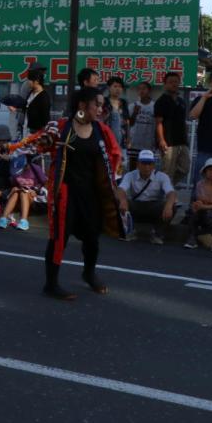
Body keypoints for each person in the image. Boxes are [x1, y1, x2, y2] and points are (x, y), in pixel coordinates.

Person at [33, 86, 128, 301]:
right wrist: (45, 141)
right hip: (65, 193)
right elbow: (39, 144)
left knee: (92, 237)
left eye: (102, 105)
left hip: (91, 194)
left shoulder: (101, 130)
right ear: (82, 105)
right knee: (59, 237)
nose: (101, 109)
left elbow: (114, 156)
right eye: (97, 105)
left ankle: (89, 273)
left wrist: (114, 189)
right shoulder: (61, 127)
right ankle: (51, 284)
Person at [117, 149, 176, 244]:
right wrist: (123, 201)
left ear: (154, 165)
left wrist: (168, 206)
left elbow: (171, 193)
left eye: (149, 163)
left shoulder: (162, 176)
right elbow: (121, 189)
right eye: (144, 163)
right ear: (138, 164)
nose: (147, 167)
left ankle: (157, 234)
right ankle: (128, 230)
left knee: (173, 205)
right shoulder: (130, 175)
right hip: (136, 206)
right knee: (118, 201)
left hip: (154, 207)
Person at [154, 71, 191, 188]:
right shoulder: (161, 101)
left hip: (182, 141)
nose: (174, 84)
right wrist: (161, 140)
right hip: (168, 142)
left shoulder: (181, 101)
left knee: (185, 168)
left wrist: (186, 137)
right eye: (170, 82)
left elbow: (183, 121)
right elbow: (158, 122)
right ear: (165, 84)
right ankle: (165, 193)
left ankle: (166, 187)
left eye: (176, 82)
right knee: (167, 171)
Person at [3, 153, 46, 231]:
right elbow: (14, 184)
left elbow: (44, 182)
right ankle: (3, 219)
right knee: (16, 193)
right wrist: (15, 188)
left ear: (27, 164)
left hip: (34, 197)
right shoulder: (14, 170)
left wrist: (35, 189)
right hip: (18, 196)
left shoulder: (35, 168)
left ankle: (24, 221)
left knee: (24, 193)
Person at [127, 80, 157, 169]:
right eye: (139, 89)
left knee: (147, 167)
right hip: (134, 142)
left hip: (149, 143)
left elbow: (157, 124)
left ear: (149, 91)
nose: (141, 91)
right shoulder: (132, 105)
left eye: (144, 89)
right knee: (132, 166)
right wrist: (135, 113)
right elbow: (130, 124)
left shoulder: (155, 106)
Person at [104, 76, 130, 164]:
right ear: (109, 88)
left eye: (120, 87)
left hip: (122, 139)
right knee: (108, 164)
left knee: (121, 165)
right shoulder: (104, 102)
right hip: (107, 139)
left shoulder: (124, 102)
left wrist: (128, 137)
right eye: (115, 86)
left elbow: (127, 121)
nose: (118, 89)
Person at [24, 65, 52, 135]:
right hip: (27, 129)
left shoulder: (43, 97)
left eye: (29, 80)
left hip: (36, 133)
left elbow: (45, 118)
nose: (28, 82)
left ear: (36, 81)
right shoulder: (30, 93)